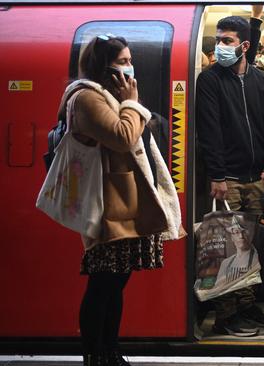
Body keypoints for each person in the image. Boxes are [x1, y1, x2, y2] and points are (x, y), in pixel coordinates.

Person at [63, 34, 184, 366]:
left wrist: (128, 102)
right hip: (106, 206)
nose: (130, 68)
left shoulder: (109, 96)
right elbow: (123, 137)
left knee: (116, 283)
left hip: (124, 202)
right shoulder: (86, 98)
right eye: (124, 61)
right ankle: (95, 354)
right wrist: (132, 101)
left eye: (130, 61)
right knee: (103, 285)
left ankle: (111, 349)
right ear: (104, 66)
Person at [195, 15, 264, 337]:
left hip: (256, 177)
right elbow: (210, 131)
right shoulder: (210, 80)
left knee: (251, 246)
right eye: (218, 40)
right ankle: (225, 315)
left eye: (227, 41)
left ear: (244, 46)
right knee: (227, 248)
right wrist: (217, 175)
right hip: (226, 178)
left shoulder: (261, 82)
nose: (220, 46)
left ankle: (246, 305)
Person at [216, 219, 259, 285]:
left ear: (249, 235)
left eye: (243, 232)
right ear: (232, 238)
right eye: (236, 232)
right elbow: (217, 286)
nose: (241, 236)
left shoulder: (256, 258)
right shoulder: (225, 263)